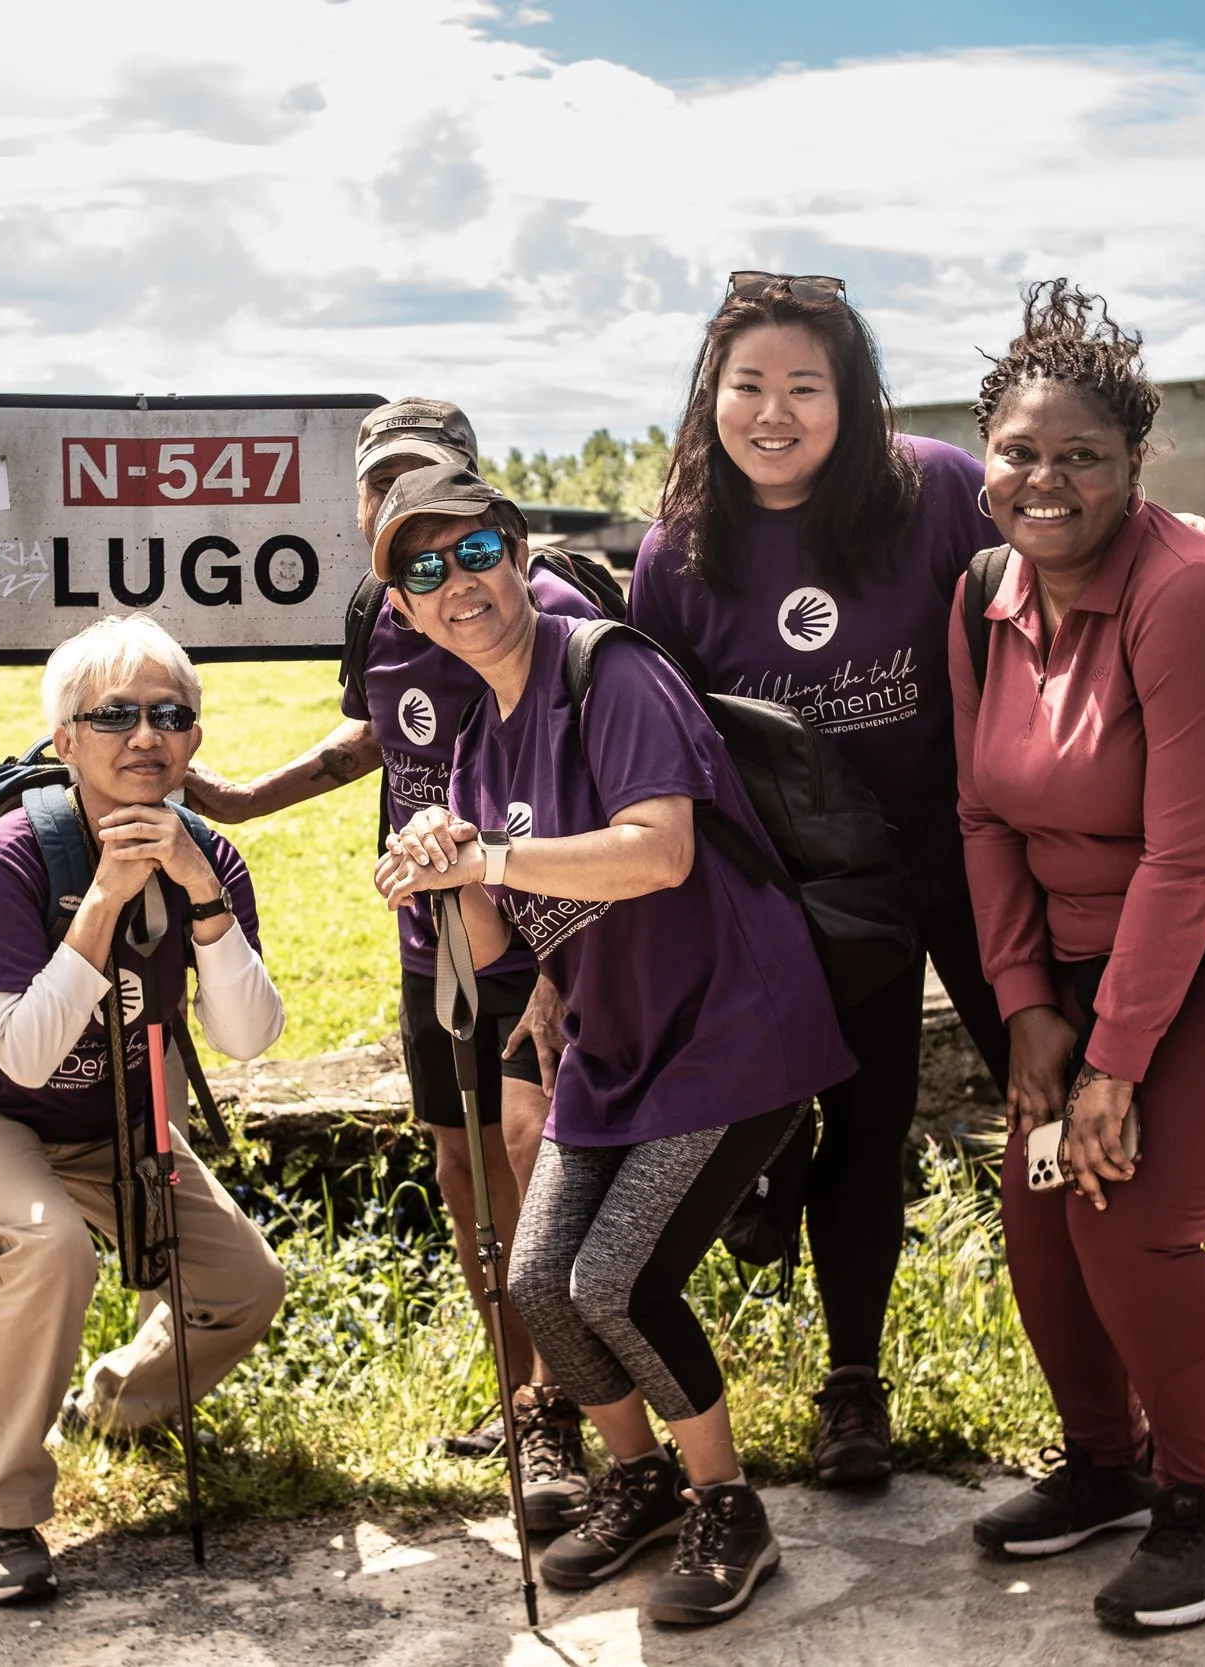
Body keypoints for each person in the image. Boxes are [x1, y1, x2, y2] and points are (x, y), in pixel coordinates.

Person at [948, 280, 1205, 1630]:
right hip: (1089, 967)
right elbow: (983, 814)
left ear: (1134, 468)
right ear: (985, 454)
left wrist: (1113, 1060)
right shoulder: (983, 599)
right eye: (1020, 450)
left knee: (1123, 1203)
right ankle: (1107, 1465)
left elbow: (1191, 862)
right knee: (1035, 1193)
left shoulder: (1198, 602)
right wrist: (1025, 1009)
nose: (1046, 479)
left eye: (1083, 455)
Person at [375, 465, 856, 1627]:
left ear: (516, 544)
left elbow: (657, 852)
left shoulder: (611, 667)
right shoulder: (481, 742)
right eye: (423, 569)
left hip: (730, 1029)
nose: (459, 584)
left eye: (476, 549)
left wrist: (488, 855)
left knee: (618, 1281)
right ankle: (638, 1477)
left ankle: (727, 1504)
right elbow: (496, 941)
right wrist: (448, 859)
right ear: (401, 607)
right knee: (542, 1283)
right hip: (613, 1041)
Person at [627, 270, 1012, 1487]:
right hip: (804, 899)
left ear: (853, 399)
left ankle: (1114, 1379)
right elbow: (663, 753)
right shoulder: (676, 553)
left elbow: (1051, 603)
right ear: (711, 396)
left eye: (806, 386)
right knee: (856, 1119)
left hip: (965, 852)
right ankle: (854, 1382)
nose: (773, 412)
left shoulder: (934, 492)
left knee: (1050, 1091)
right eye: (747, 386)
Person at [184, 397, 598, 1525]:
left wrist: (567, 966)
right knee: (464, 1170)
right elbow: (381, 729)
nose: (400, 500)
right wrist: (244, 797)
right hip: (428, 935)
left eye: (427, 475)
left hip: (531, 932)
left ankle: (561, 1405)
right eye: (380, 482)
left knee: (534, 1165)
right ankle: (517, 1395)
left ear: (476, 491)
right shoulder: (383, 602)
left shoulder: (534, 601)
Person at [0, 614, 287, 1605]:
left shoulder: (210, 855)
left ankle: (110, 1406)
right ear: (64, 739)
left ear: (196, 736)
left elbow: (245, 1036)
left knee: (243, 1281)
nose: (144, 735)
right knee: (48, 1243)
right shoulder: (15, 853)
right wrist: (103, 900)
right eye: (112, 715)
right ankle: (0, 1503)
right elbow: (22, 1054)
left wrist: (204, 900)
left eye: (169, 713)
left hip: (118, 1115)